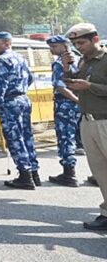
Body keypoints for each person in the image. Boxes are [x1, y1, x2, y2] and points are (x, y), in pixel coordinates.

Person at [61, 22, 107, 230]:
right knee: (100, 171)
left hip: (104, 120)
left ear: (95, 39)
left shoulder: (104, 60)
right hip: (87, 121)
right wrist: (67, 70)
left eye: (82, 42)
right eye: (75, 43)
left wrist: (90, 86)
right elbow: (76, 83)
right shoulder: (83, 62)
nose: (79, 47)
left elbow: (90, 86)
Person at [0, 32, 39, 190]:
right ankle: (34, 172)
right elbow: (30, 78)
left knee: (14, 138)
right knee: (26, 136)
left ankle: (25, 175)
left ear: (7, 43)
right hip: (23, 99)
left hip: (10, 101)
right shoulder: (20, 58)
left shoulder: (1, 60)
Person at [46, 35, 82, 187]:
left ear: (64, 46)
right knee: (74, 136)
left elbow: (60, 86)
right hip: (76, 105)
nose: (51, 49)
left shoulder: (59, 63)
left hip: (64, 104)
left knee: (65, 138)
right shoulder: (77, 60)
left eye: (54, 46)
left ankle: (69, 173)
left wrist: (75, 100)